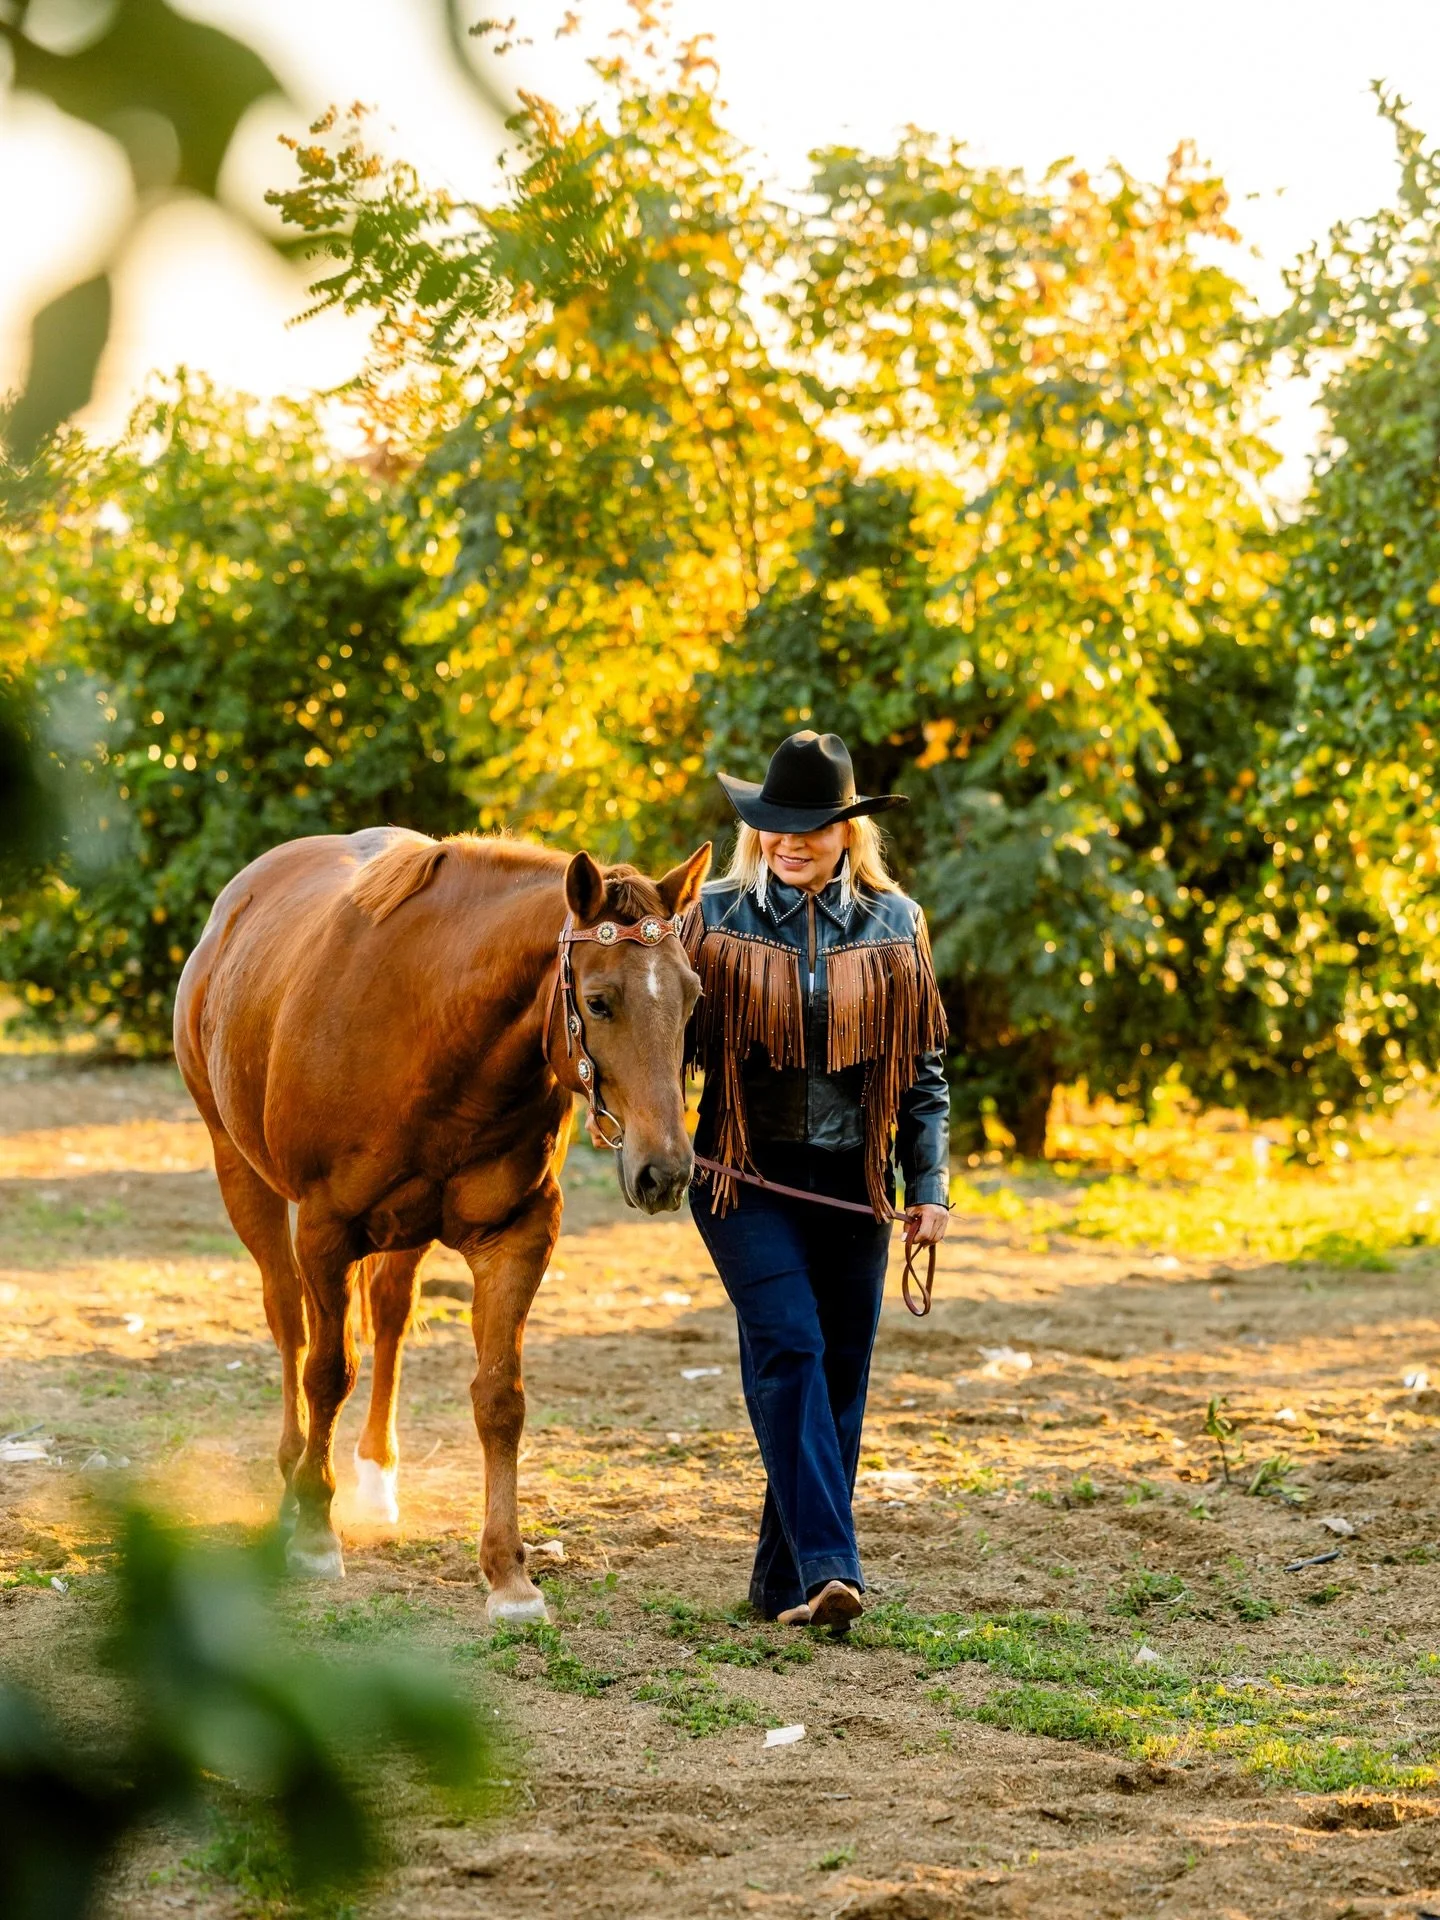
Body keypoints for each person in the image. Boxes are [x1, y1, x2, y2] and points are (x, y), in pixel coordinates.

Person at [681, 730, 950, 1631]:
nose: (789, 841)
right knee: (791, 1347)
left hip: (855, 1185)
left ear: (848, 831)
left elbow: (922, 1071)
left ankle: (782, 1584)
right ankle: (837, 1571)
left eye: (813, 827)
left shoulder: (896, 922)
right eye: (774, 826)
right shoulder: (711, 918)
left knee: (837, 1376)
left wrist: (931, 1186)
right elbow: (650, 1039)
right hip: (740, 1177)